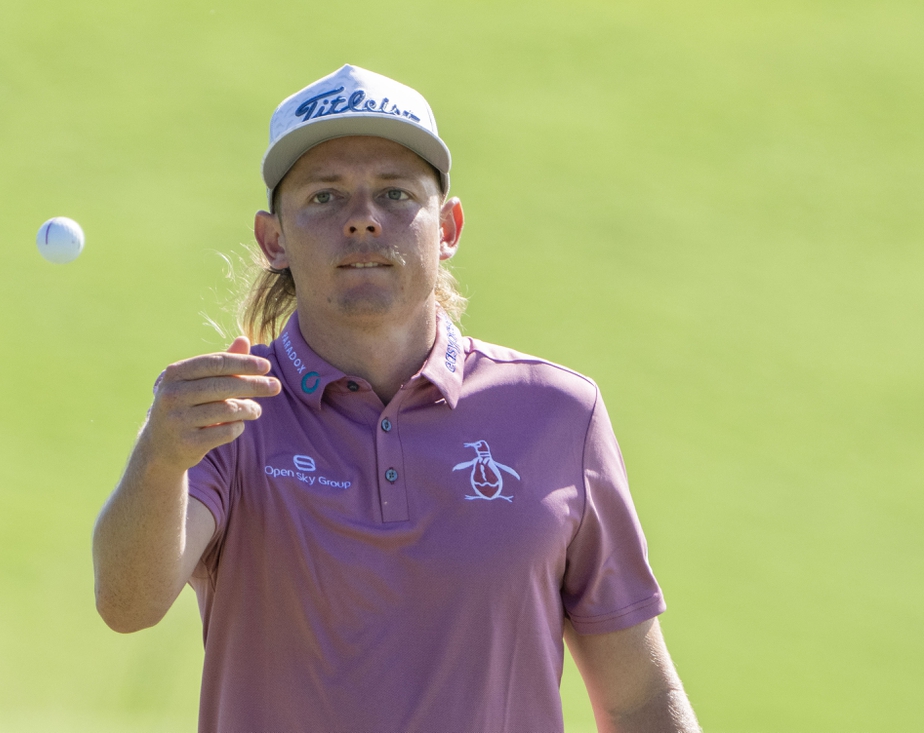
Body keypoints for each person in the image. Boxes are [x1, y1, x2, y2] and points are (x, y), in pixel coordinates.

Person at [92, 64, 700, 733]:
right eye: (324, 198)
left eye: (395, 194)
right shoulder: (231, 412)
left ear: (448, 227)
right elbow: (128, 604)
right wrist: (159, 461)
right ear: (274, 240)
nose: (362, 221)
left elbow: (638, 696)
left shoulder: (558, 412)